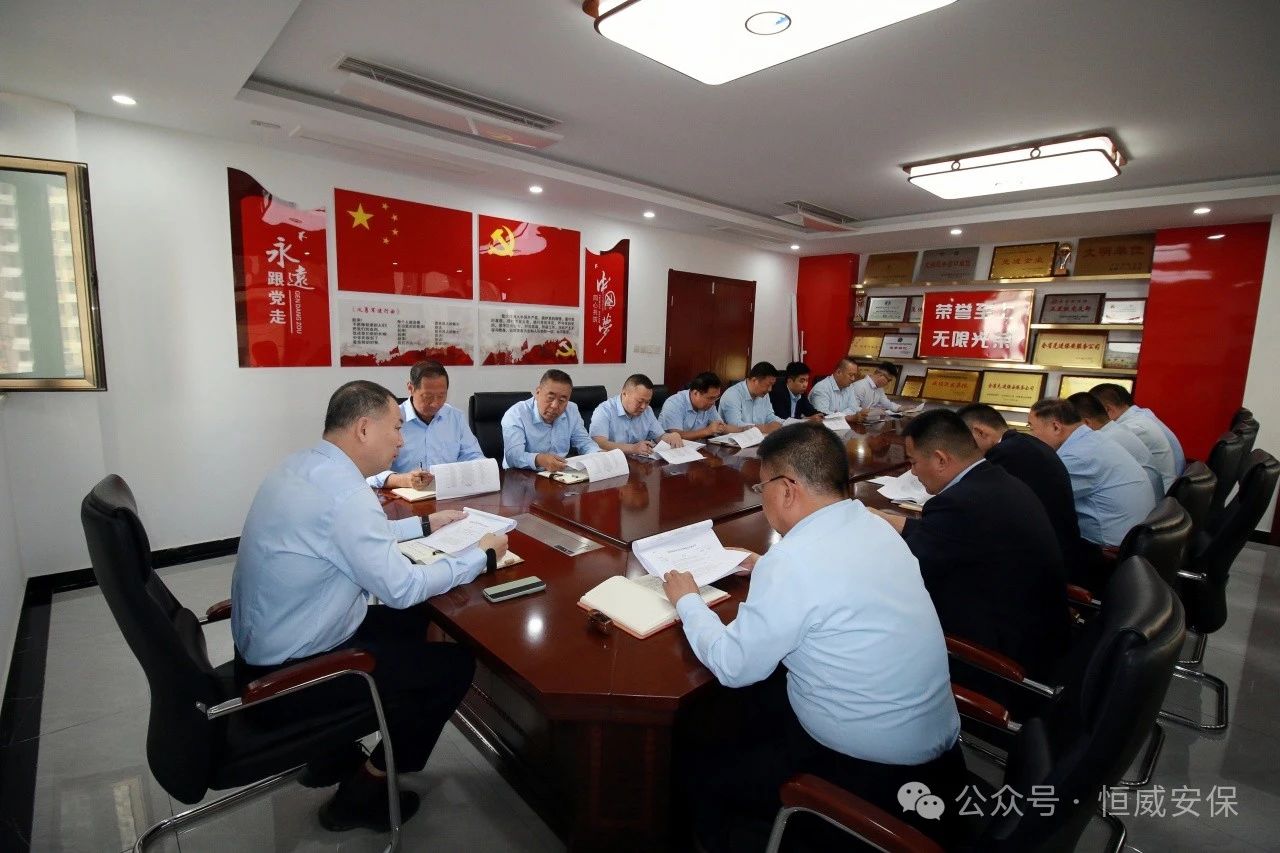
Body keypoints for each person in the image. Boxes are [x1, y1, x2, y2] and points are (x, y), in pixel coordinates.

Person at [663, 423, 964, 851]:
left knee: (700, 757)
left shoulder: (794, 562)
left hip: (868, 769)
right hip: (938, 750)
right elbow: (835, 580)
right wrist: (766, 566)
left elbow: (733, 665)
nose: (761, 497)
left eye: (762, 487)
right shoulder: (874, 526)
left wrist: (687, 601)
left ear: (787, 489)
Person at [231, 380, 509, 832]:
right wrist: (482, 557)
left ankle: (330, 753)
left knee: (415, 623)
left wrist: (425, 525)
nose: (401, 440)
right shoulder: (346, 494)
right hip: (289, 681)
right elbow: (401, 587)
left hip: (269, 649)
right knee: (454, 665)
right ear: (363, 428)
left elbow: (351, 537)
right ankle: (364, 790)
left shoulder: (304, 466)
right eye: (396, 428)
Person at [868, 410, 1069, 677]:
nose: (913, 473)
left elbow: (905, 572)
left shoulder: (959, 503)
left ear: (940, 459)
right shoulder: (995, 480)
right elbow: (948, 536)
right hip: (1044, 634)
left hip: (1000, 659)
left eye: (913, 462)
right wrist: (893, 521)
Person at [957, 404, 1086, 571]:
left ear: (980, 432)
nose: (964, 450)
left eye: (965, 442)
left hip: (1046, 562)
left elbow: (971, 502)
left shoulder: (1005, 453)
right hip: (1060, 549)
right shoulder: (1024, 444)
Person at [1028, 398, 1156, 549]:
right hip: (1133, 539)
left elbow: (1034, 499)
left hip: (1107, 550)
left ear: (1056, 427)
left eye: (1031, 428)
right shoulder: (1094, 439)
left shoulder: (1077, 456)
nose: (1031, 435)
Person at [366, 359, 484, 490]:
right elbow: (371, 474)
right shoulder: (390, 419)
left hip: (447, 493)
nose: (435, 403)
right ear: (411, 388)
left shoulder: (455, 417)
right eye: (428, 396)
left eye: (441, 396)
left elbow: (474, 457)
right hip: (402, 496)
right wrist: (404, 480)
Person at [1068, 391, 1165, 500]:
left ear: (1085, 423)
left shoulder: (1101, 443)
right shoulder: (1116, 431)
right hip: (1150, 501)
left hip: (1145, 502)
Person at [500, 368, 600, 471]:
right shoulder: (516, 414)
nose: (555, 405)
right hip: (521, 475)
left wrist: (599, 454)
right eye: (550, 398)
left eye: (562, 400)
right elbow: (513, 456)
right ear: (537, 392)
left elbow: (584, 443)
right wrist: (539, 459)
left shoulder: (571, 410)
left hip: (560, 473)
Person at [1091, 382, 1183, 482]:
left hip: (1163, 489)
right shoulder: (1142, 416)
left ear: (1107, 409)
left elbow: (1099, 459)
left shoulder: (1133, 428)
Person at [589, 373, 684, 454]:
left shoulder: (648, 411)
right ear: (624, 393)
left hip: (639, 463)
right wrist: (633, 448)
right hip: (614, 463)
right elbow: (599, 443)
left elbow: (659, 436)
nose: (643, 406)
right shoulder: (604, 410)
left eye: (647, 402)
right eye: (639, 401)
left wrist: (670, 437)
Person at [658, 371, 741, 440]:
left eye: (716, 398)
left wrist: (744, 430)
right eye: (710, 398)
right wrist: (707, 431)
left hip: (696, 449)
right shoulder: (674, 403)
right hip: (671, 451)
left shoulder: (709, 405)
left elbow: (721, 427)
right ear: (695, 393)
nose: (713, 403)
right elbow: (677, 436)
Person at [717, 361, 785, 432]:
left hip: (758, 437)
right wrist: (765, 428)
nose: (770, 389)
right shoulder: (732, 394)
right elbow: (735, 426)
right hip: (735, 438)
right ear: (754, 380)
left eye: (772, 385)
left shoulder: (764, 394)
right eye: (768, 385)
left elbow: (770, 417)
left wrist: (786, 424)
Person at [807, 357, 873, 421]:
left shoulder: (849, 386)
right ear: (838, 372)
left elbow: (853, 408)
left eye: (854, 375)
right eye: (850, 375)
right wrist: (846, 417)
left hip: (842, 425)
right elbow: (822, 416)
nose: (853, 379)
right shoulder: (821, 388)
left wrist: (837, 414)